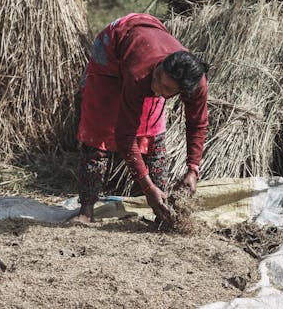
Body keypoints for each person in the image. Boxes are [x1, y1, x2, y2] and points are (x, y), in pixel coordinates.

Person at [73, 13, 208, 223]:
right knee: (99, 129)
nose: (157, 87)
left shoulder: (196, 84)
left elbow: (197, 123)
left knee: (153, 133)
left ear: (182, 91)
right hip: (112, 49)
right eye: (157, 79)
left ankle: (163, 208)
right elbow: (125, 137)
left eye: (166, 89)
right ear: (161, 66)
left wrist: (193, 169)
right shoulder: (141, 74)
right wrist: (146, 188)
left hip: (148, 40)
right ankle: (86, 210)